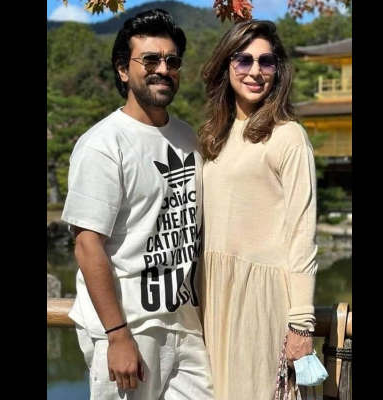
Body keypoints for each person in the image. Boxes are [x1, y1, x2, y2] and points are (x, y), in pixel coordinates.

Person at [61, 9, 214, 400]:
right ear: (123, 70)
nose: (163, 69)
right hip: (129, 329)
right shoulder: (103, 144)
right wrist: (117, 335)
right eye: (150, 60)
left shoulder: (188, 138)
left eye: (172, 61)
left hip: (186, 325)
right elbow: (87, 244)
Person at [197, 19, 319, 400]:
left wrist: (301, 322)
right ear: (226, 65)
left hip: (260, 298)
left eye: (266, 61)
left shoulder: (288, 137)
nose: (255, 71)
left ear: (277, 70)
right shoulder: (213, 136)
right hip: (212, 292)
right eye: (244, 60)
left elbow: (302, 234)